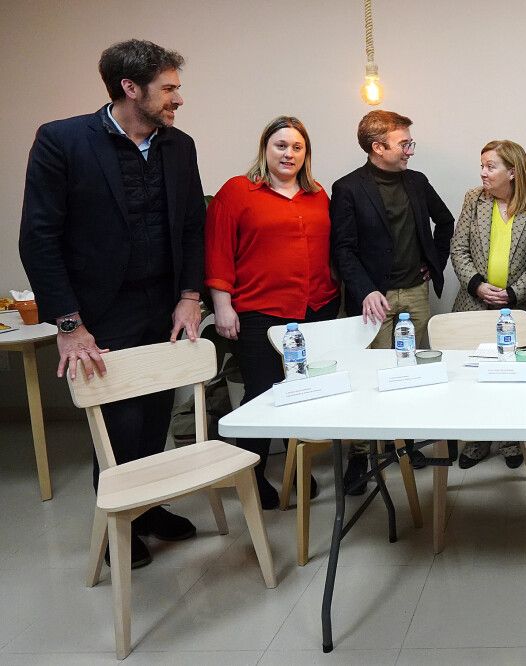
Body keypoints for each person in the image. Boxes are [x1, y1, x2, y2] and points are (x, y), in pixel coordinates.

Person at [18, 39, 205, 568]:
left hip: (165, 307)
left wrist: (190, 297)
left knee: (155, 419)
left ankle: (145, 510)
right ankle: (118, 527)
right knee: (119, 426)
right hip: (100, 313)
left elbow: (194, 225)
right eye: (168, 89)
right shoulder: (63, 141)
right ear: (130, 89)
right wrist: (69, 323)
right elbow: (38, 237)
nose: (178, 99)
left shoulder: (179, 145)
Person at [206, 116, 340, 509]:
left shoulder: (317, 195)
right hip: (260, 312)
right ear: (265, 147)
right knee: (262, 393)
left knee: (302, 391)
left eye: (297, 147)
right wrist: (222, 306)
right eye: (281, 145)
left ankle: (297, 469)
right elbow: (217, 251)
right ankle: (252, 472)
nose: (289, 153)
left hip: (314, 309)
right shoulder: (237, 191)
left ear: (306, 154)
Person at [329, 110, 454, 492]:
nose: (410, 151)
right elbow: (343, 249)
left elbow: (444, 221)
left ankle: (406, 444)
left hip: (414, 292)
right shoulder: (348, 188)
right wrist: (366, 290)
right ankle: (362, 456)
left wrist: (433, 263)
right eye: (404, 143)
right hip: (375, 298)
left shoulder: (417, 182)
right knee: (372, 377)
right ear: (377, 146)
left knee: (409, 370)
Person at [450, 140, 526, 469]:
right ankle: (477, 440)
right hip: (474, 304)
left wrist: (512, 293)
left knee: (513, 375)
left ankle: (510, 440)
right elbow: (458, 248)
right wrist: (478, 285)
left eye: (490, 166)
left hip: (521, 307)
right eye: (482, 166)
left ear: (512, 171)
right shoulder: (473, 200)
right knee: (477, 376)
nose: (483, 173)